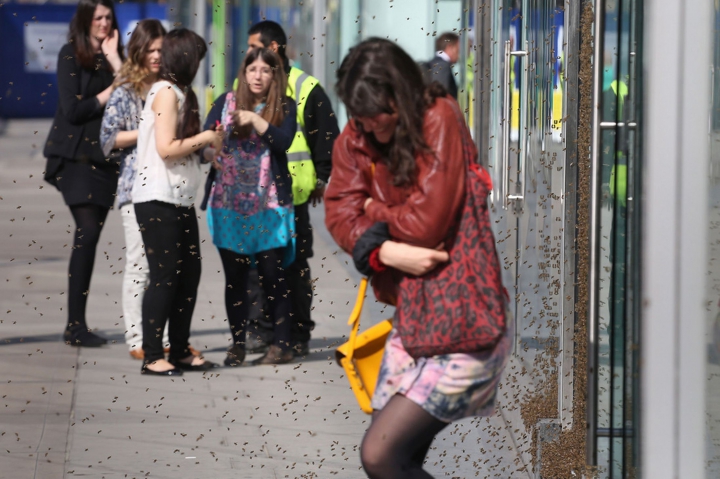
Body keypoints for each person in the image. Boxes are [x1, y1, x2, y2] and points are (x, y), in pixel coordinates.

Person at [325, 38, 512, 478]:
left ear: (402, 93)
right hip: (415, 321)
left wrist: (373, 213)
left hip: (465, 319)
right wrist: (386, 248)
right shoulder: (356, 137)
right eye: (361, 117)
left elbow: (426, 223)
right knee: (397, 459)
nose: (372, 127)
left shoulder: (439, 116)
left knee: (380, 455)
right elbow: (338, 212)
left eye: (380, 114)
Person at [240, 21, 340, 357]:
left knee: (295, 269)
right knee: (255, 266)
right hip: (254, 196)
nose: (250, 55)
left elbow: (327, 137)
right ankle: (260, 331)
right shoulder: (250, 82)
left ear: (274, 48)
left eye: (255, 46)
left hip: (293, 195)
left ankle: (297, 333)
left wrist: (322, 179)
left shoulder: (305, 87)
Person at [132, 28, 223, 376]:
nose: (199, 64)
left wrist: (207, 148)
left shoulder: (179, 93)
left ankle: (181, 348)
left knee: (189, 275)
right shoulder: (166, 92)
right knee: (165, 276)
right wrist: (205, 137)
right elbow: (166, 148)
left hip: (177, 198)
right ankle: (153, 354)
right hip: (157, 197)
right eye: (196, 57)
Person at [201, 48, 298, 366]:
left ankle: (281, 344)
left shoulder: (284, 106)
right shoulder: (226, 102)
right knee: (236, 278)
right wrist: (209, 149)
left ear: (275, 75)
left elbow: (283, 142)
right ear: (243, 73)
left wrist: (256, 119)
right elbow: (205, 141)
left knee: (273, 275)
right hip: (228, 205)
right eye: (252, 69)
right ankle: (238, 344)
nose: (258, 75)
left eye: (265, 70)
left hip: (268, 206)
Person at [43, 0, 124, 347]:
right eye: (97, 18)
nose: (104, 23)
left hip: (104, 159)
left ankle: (77, 323)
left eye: (108, 17)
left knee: (89, 239)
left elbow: (134, 96)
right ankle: (75, 325)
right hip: (74, 156)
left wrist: (117, 60)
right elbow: (72, 109)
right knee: (87, 231)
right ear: (84, 21)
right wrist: (109, 92)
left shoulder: (115, 55)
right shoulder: (69, 54)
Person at [100, 19, 170, 360]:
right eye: (151, 50)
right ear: (139, 51)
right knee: (140, 264)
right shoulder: (126, 90)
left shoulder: (170, 87)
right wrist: (148, 130)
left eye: (161, 49)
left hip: (167, 186)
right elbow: (108, 139)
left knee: (166, 267)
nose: (157, 56)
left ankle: (163, 335)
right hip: (134, 187)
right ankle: (136, 338)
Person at [420, 32, 460, 99]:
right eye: (458, 50)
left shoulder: (435, 63)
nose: (459, 55)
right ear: (450, 47)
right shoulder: (443, 65)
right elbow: (440, 96)